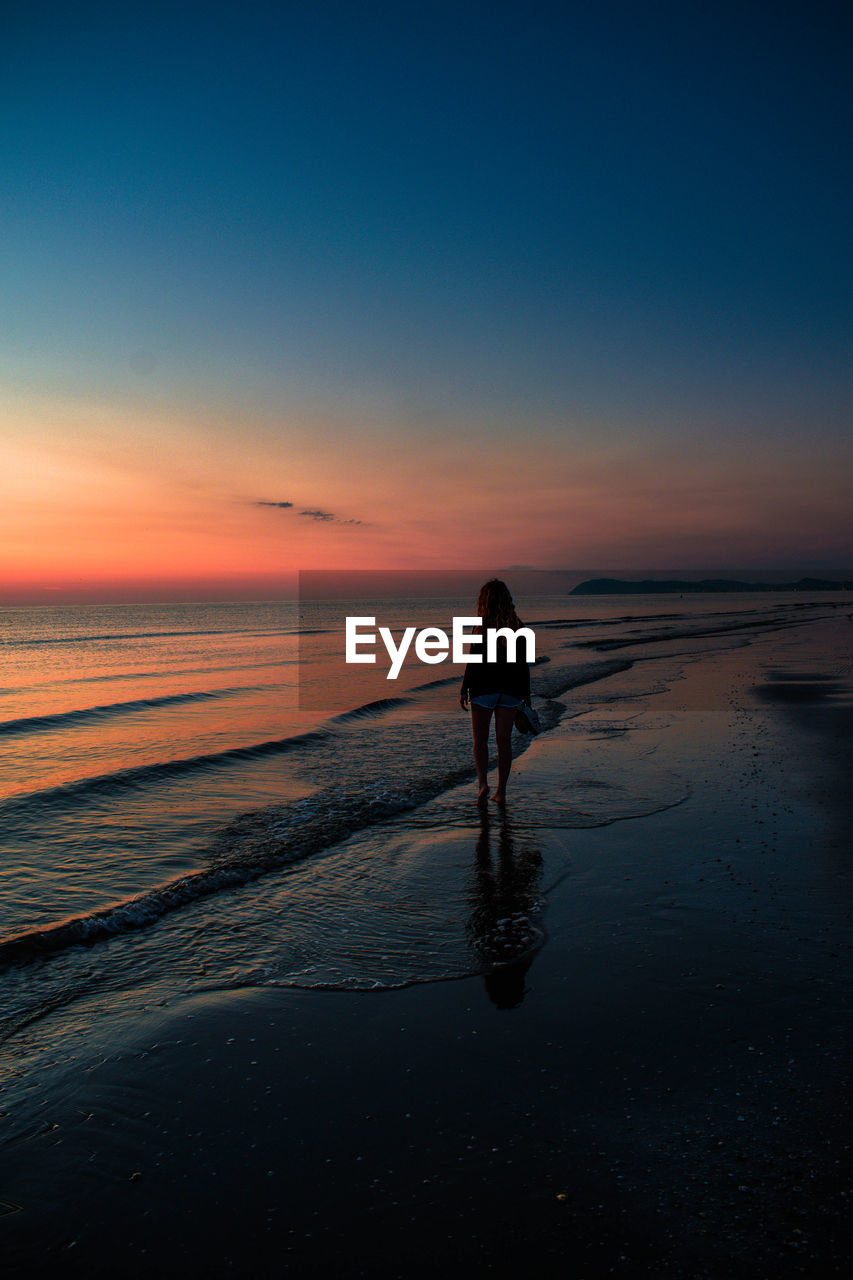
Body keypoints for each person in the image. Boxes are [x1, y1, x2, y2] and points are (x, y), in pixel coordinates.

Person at [459, 578, 532, 805]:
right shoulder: (519, 627)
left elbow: (473, 663)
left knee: (480, 740)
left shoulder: (480, 627)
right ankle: (501, 791)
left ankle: (482, 784)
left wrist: (464, 689)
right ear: (507, 600)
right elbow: (522, 664)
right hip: (509, 690)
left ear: (484, 601)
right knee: (504, 742)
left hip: (483, 688)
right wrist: (526, 694)